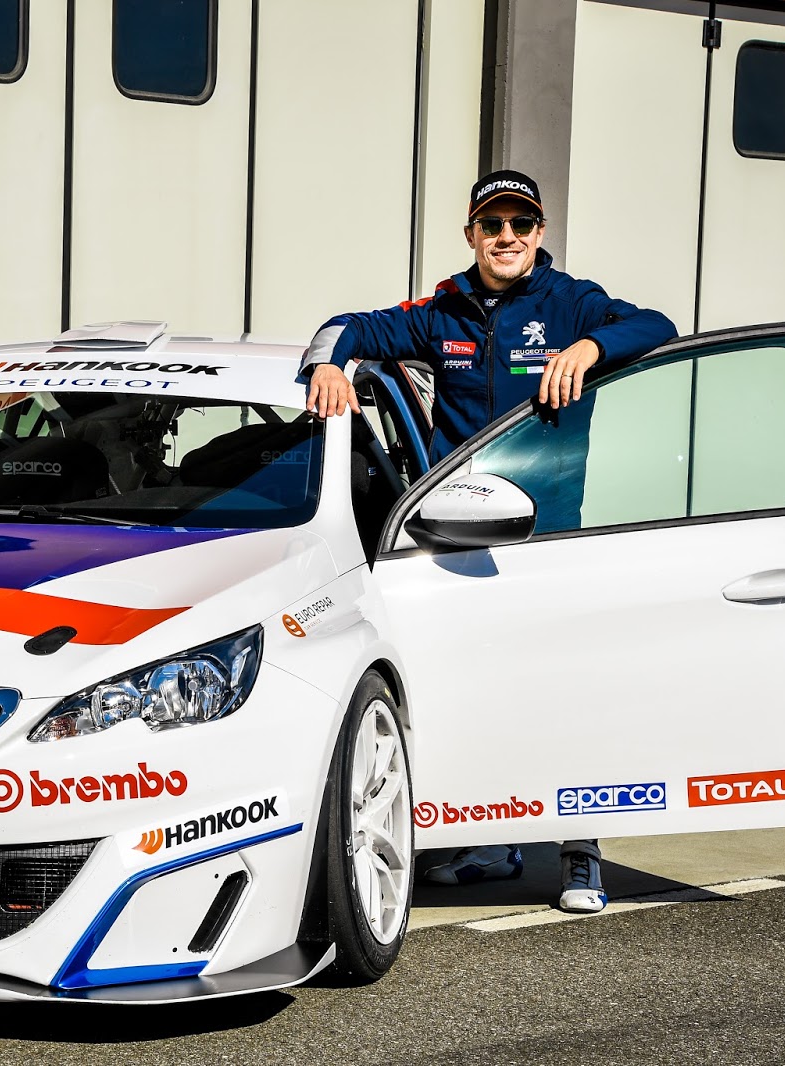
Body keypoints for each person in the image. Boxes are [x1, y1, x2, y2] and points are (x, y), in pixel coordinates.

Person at [300, 169, 677, 913]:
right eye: (493, 225)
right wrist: (327, 366)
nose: (507, 237)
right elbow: (349, 326)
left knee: (561, 694)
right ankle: (489, 840)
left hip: (548, 540)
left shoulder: (573, 303)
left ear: (539, 234)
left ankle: (580, 853)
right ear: (471, 234)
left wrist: (589, 348)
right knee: (468, 690)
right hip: (456, 540)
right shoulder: (441, 310)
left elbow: (659, 326)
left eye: (520, 224)